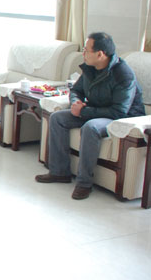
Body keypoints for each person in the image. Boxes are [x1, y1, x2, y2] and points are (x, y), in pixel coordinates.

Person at [35, 32, 144, 200]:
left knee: (90, 127)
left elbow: (119, 111)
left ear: (100, 54)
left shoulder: (123, 74)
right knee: (57, 118)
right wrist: (76, 103)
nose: (83, 53)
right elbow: (76, 90)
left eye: (86, 50)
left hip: (121, 119)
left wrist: (83, 112)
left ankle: (84, 183)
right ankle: (59, 172)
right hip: (96, 110)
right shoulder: (90, 68)